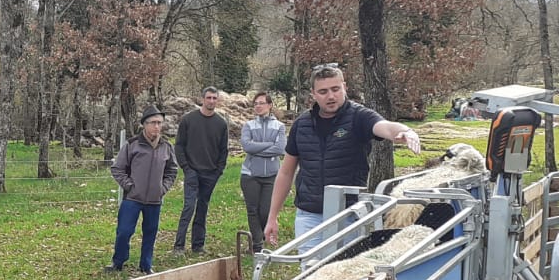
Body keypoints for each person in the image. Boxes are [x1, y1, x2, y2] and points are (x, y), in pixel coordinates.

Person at [263, 64, 422, 252]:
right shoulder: (301, 124)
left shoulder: (359, 117)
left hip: (348, 214)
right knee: (309, 267)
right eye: (323, 91)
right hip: (309, 215)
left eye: (335, 89)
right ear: (313, 94)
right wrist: (272, 216)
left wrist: (406, 131)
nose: (330, 96)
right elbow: (286, 172)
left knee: (343, 267)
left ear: (344, 87)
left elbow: (384, 126)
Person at [106, 108, 177, 275]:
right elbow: (117, 168)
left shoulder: (166, 147)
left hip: (154, 199)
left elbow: (172, 170)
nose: (157, 126)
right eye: (153, 123)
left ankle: (146, 265)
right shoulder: (132, 145)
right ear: (144, 125)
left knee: (150, 233)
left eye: (159, 123)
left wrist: (162, 188)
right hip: (132, 198)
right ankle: (118, 262)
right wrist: (129, 186)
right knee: (124, 232)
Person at [173, 86, 229, 254]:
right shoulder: (188, 120)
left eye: (214, 98)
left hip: (210, 173)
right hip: (192, 171)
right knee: (189, 207)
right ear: (202, 99)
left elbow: (223, 150)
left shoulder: (221, 124)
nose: (211, 101)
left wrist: (218, 170)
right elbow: (179, 145)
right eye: (209, 98)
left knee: (202, 209)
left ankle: (198, 245)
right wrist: (186, 168)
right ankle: (179, 245)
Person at [240, 91, 287, 253]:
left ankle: (261, 237)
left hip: (271, 176)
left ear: (270, 105)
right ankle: (257, 245)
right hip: (250, 175)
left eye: (261, 103)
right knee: (252, 210)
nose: (258, 106)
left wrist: (257, 149)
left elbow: (280, 149)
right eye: (256, 104)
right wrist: (269, 145)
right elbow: (247, 146)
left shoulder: (279, 126)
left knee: (266, 211)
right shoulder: (248, 125)